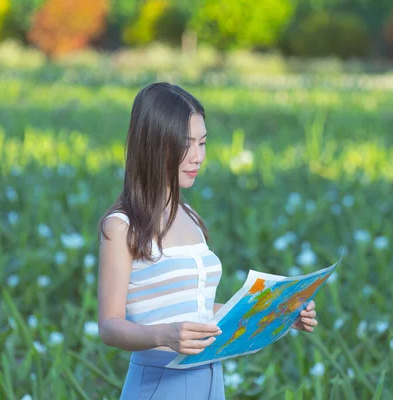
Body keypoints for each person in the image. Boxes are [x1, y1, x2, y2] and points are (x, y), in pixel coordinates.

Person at [96, 82, 319, 400]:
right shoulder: (121, 226)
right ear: (155, 145)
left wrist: (279, 313)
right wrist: (166, 335)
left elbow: (197, 309)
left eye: (203, 143)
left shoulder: (189, 216)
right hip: (160, 381)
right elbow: (110, 325)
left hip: (211, 378)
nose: (198, 156)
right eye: (187, 145)